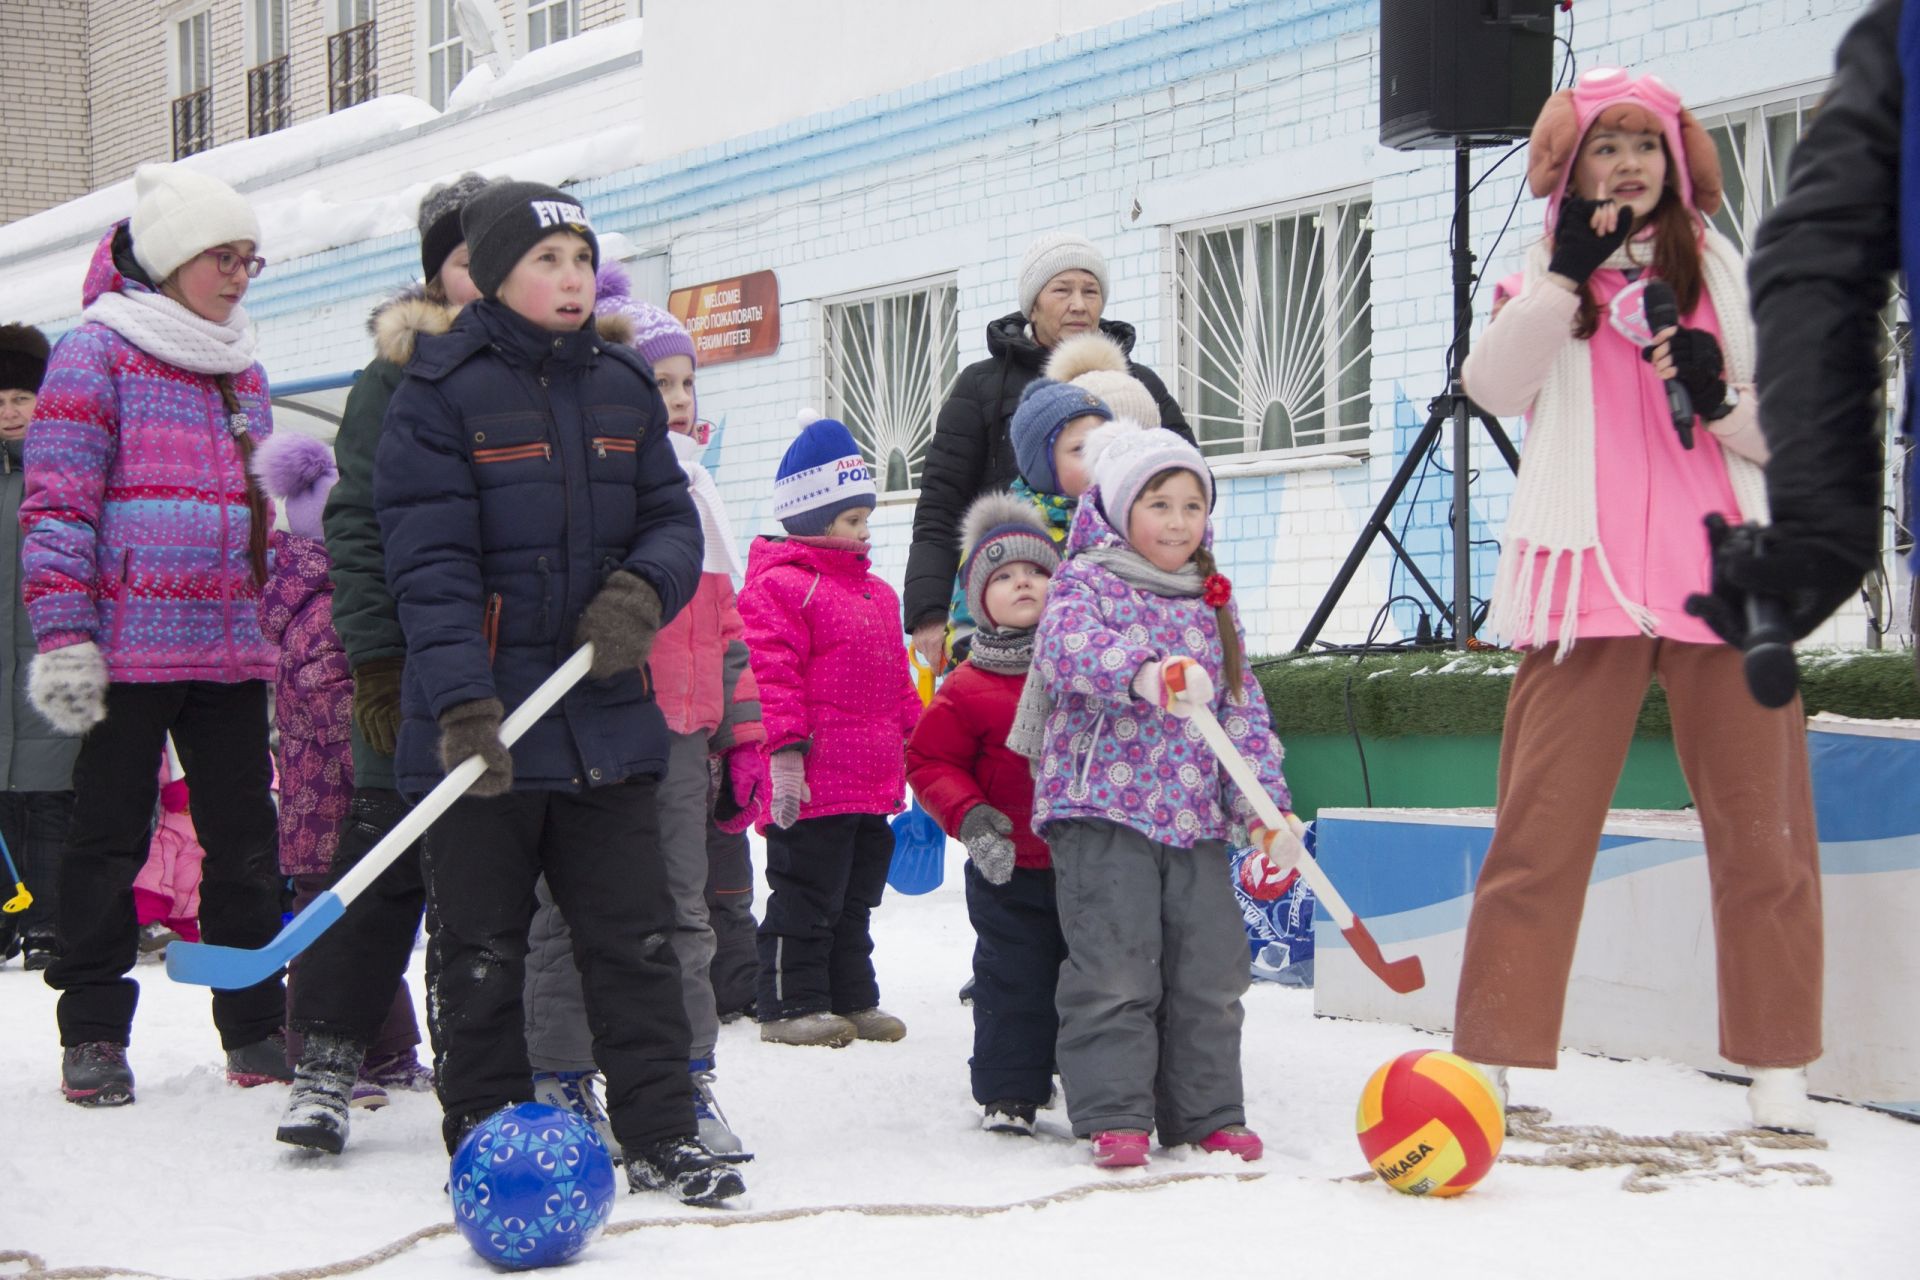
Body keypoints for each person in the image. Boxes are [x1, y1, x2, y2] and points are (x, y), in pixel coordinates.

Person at [1451, 68, 1824, 1133]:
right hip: (1588, 586)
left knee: (1766, 837)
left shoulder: (1726, 278)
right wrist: (1567, 278)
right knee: (1540, 831)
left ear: (1675, 164)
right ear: (1572, 166)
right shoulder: (1540, 279)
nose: (1627, 164)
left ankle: (1779, 1063)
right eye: (1606, 146)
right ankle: (1495, 1052)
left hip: (1723, 588)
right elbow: (1495, 387)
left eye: (1644, 145)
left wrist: (1719, 393)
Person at [374, 179, 744, 1206]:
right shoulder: (439, 391)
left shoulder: (624, 386)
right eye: (547, 261)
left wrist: (642, 591)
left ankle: (664, 1128)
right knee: (482, 944)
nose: (572, 277)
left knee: (632, 936)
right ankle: (488, 1134)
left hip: (601, 712)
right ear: (494, 275)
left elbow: (673, 519)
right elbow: (428, 563)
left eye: (582, 259)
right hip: (485, 722)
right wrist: (460, 704)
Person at [19, 163, 291, 1105]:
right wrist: (65, 636)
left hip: (229, 647)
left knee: (246, 841)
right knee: (105, 841)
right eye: (223, 256)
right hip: (126, 646)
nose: (238, 275)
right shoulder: (94, 354)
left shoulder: (241, 366)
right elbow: (56, 507)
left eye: (249, 260)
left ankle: (256, 1024)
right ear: (174, 258)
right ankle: (93, 1029)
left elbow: (268, 511)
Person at [518, 264, 764, 1158]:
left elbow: (729, 626)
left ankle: (688, 1078)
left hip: (686, 738)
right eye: (658, 382)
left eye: (686, 381)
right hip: (601, 730)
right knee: (572, 911)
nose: (678, 398)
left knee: (685, 914)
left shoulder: (697, 491)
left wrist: (742, 735)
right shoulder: (598, 484)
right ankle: (561, 1077)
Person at [279, 172, 492, 1154]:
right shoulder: (395, 377)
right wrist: (374, 658)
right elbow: (356, 526)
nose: (485, 275)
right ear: (435, 274)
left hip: (514, 666)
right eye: (465, 257)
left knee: (495, 879)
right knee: (377, 862)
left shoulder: (554, 371)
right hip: (411, 666)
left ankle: (490, 1064)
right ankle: (326, 1057)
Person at [1021, 424, 1299, 1168]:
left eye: (1191, 505)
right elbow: (1064, 649)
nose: (1179, 522)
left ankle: (1207, 1112)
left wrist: (1266, 810)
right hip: (1102, 810)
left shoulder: (1212, 598)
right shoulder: (1087, 579)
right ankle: (1116, 1114)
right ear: (1118, 509)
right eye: (1159, 504)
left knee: (1211, 971)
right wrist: (1148, 672)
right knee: (1115, 968)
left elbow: (1242, 711)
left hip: (1196, 818)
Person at [1686, 0, 1899, 650]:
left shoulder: (1718, 267)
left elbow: (1815, 265)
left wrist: (1823, 519)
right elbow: (1817, 264)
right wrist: (1824, 518)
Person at [904, 232, 1192, 669]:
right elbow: (941, 505)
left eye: (1090, 290)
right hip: (1010, 610)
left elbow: (1188, 478)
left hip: (1125, 604)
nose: (1079, 304)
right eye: (1062, 289)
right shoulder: (980, 386)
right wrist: (928, 614)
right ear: (1032, 305)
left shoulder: (1136, 384)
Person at [255, 430, 430, 1131]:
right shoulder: (321, 607)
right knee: (331, 930)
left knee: (370, 923)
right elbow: (336, 702)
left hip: (347, 795)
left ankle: (386, 1049)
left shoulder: (333, 595)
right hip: (325, 798)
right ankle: (318, 1055)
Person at [739, 413, 922, 1048]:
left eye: (866, 519)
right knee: (805, 893)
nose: (864, 532)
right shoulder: (782, 589)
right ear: (815, 520)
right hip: (812, 779)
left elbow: (899, 681)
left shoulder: (876, 595)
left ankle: (853, 998)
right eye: (853, 520)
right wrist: (783, 756)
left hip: (870, 779)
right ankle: (791, 1003)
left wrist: (917, 743)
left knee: (855, 899)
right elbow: (771, 675)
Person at [906, 493, 1064, 1135]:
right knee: (1013, 980)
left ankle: (1101, 1087)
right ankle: (1010, 1092)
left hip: (1093, 861)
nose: (1023, 581)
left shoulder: (1086, 671)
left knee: (1095, 981)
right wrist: (971, 819)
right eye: (1003, 576)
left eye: (1037, 571)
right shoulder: (967, 686)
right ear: (977, 600)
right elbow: (930, 762)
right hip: (1010, 864)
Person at [0, 323, 77, 973]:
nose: (8, 411)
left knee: (52, 800)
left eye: (20, 397)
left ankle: (49, 920)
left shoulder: (64, 471)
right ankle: (7, 919)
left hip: (49, 658)